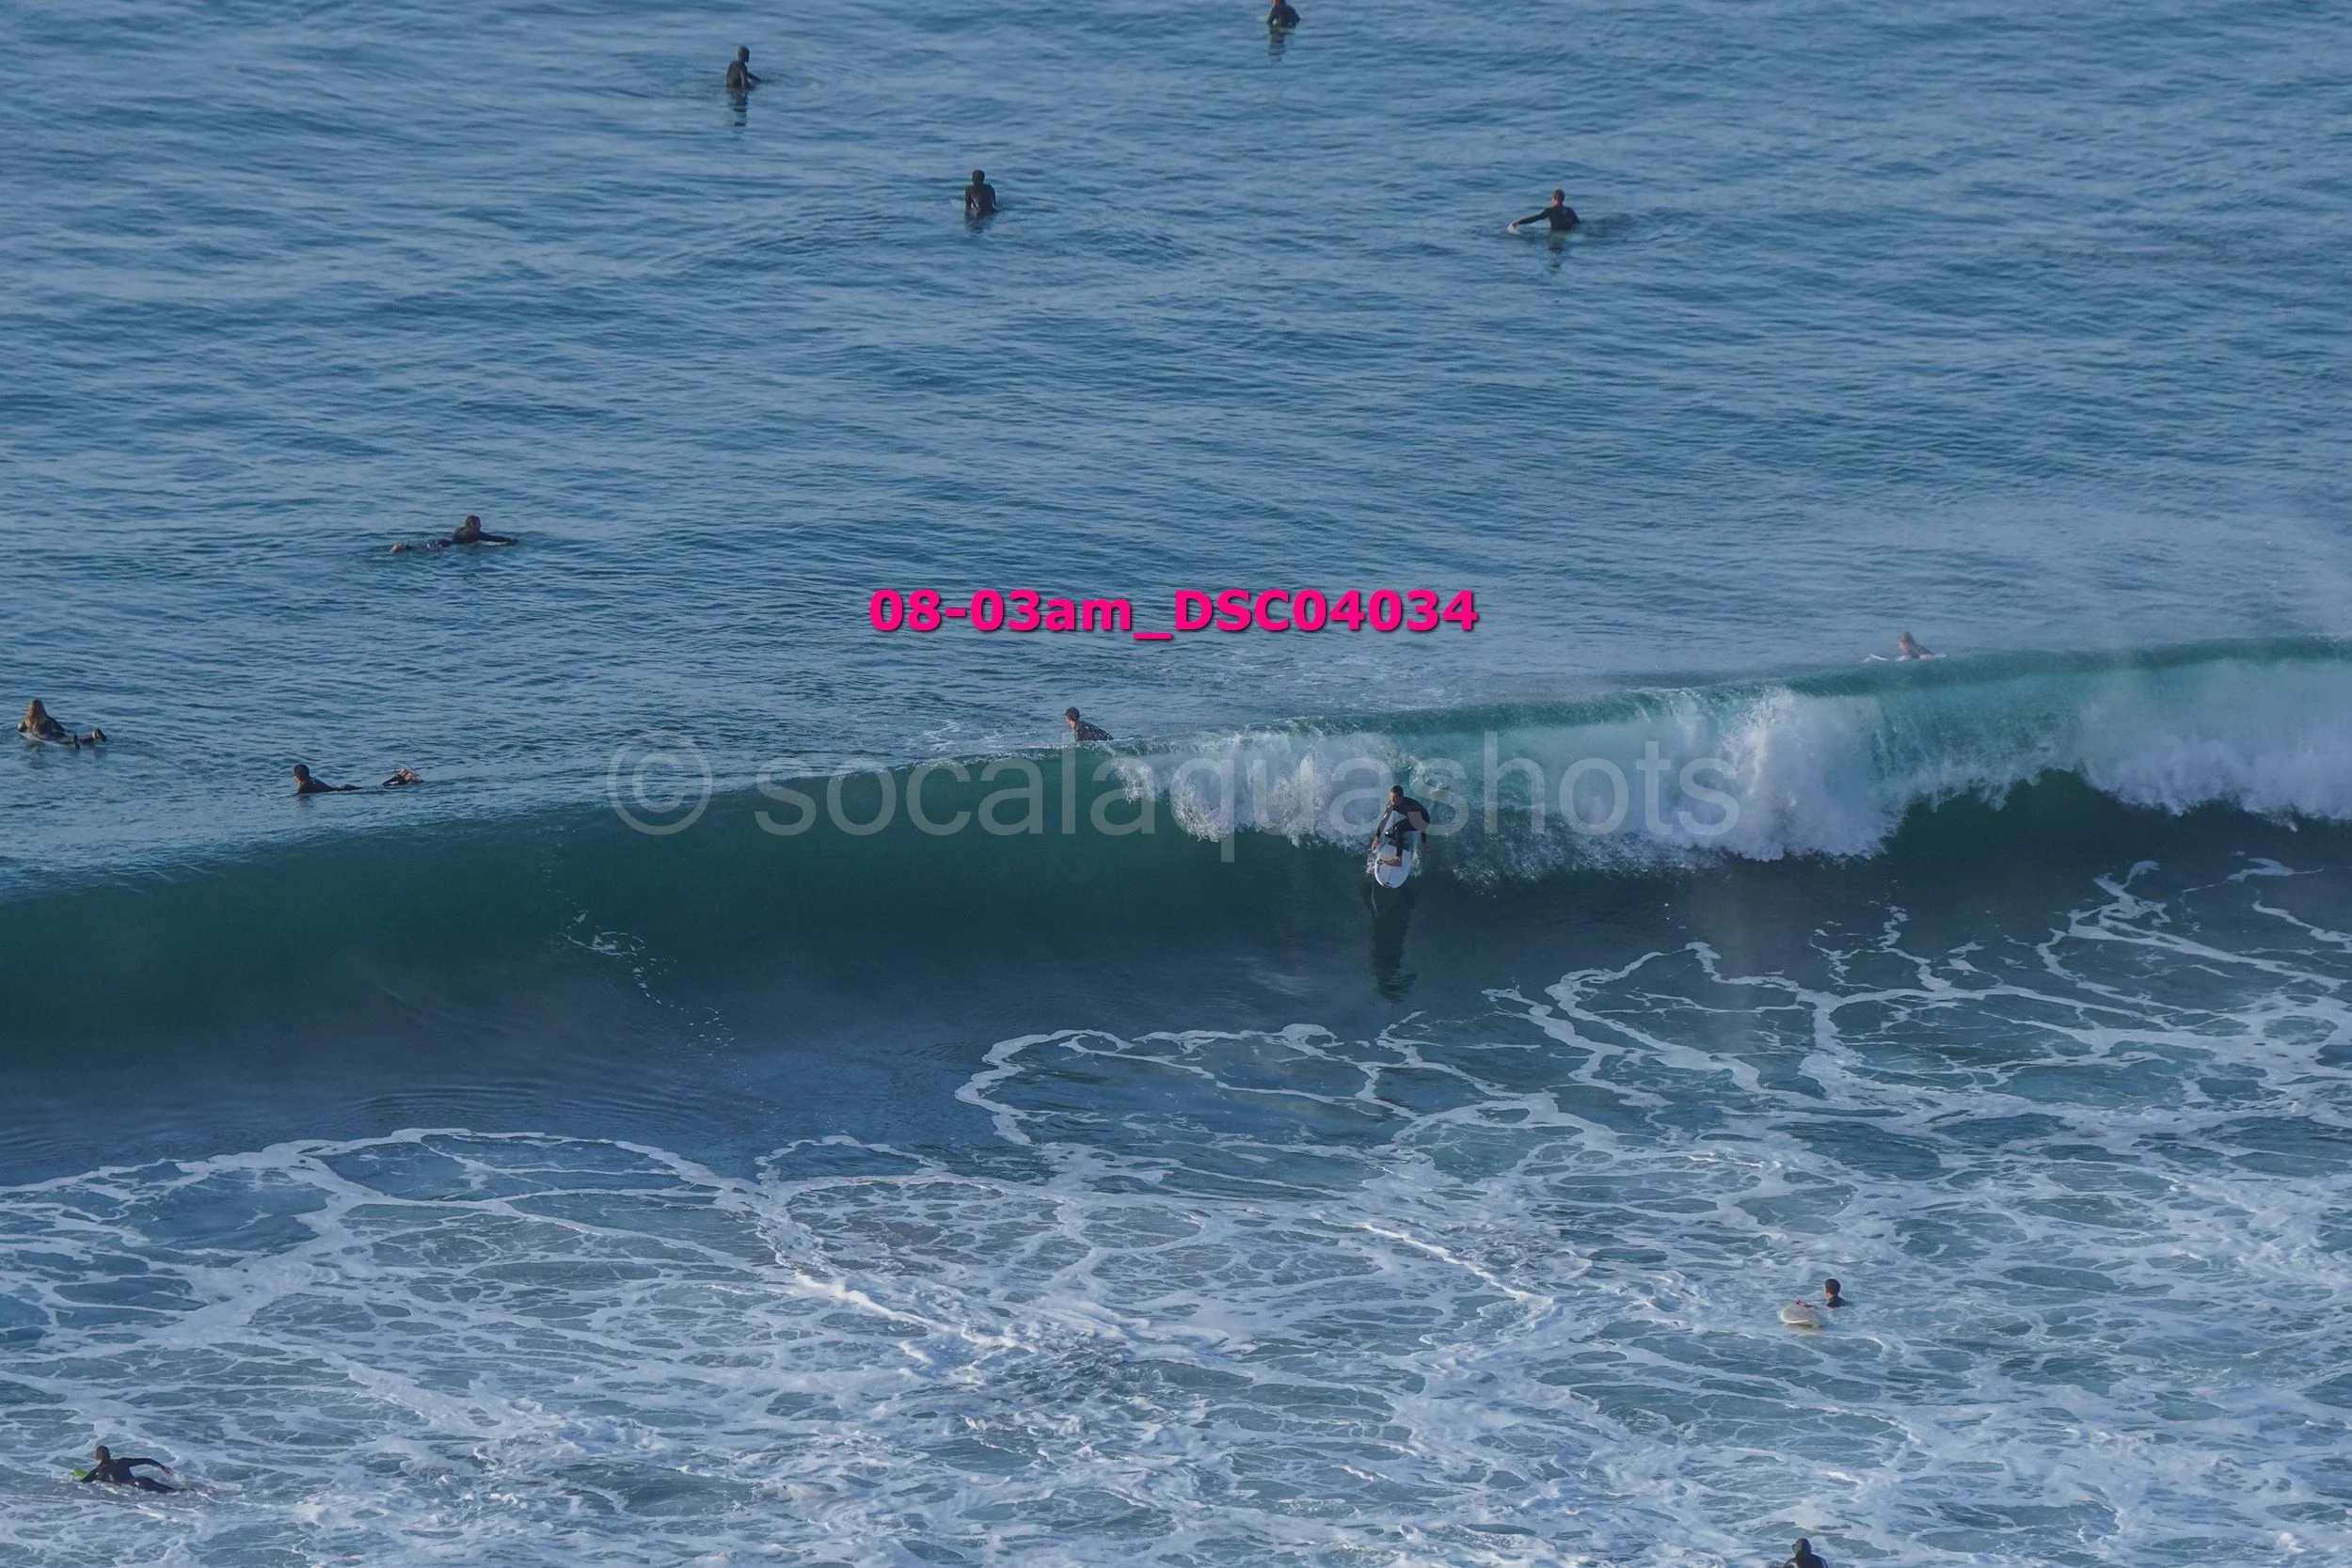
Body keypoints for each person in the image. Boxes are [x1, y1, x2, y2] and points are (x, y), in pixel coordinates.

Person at [391, 515, 516, 553]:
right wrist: (510, 540)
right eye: (479, 524)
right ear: (474, 525)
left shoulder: (459, 529)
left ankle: (404, 547)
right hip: (446, 546)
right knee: (423, 551)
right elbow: (494, 538)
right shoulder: (475, 533)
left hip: (442, 540)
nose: (481, 526)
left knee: (422, 548)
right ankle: (403, 548)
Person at [79, 1445, 175, 1493]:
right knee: (175, 1491)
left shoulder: (97, 1472)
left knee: (171, 1495)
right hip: (142, 1479)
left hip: (135, 1486)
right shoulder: (122, 1461)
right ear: (109, 1455)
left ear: (96, 1458)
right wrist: (162, 1467)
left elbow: (81, 1483)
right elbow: (145, 1460)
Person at [1370, 785, 1429, 863]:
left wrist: (1424, 842)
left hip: (1423, 820)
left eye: (1395, 797)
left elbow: (1422, 825)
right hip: (1410, 818)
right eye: (1391, 797)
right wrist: (1377, 837)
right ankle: (1402, 841)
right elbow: (1384, 820)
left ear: (1401, 798)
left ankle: (1398, 859)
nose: (1392, 800)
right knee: (1388, 833)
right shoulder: (1391, 804)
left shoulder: (1411, 806)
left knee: (1399, 829)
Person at [18, 699, 104, 748]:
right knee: (76, 739)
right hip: (56, 732)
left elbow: (20, 729)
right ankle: (93, 735)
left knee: (63, 741)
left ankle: (72, 739)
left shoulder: (28, 721)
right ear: (43, 708)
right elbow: (62, 730)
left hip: (47, 737)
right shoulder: (50, 719)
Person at [1509, 189, 1580, 233]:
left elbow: (1535, 218)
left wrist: (1518, 222)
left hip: (1555, 234)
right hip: (1568, 233)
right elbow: (1577, 223)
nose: (1551, 201)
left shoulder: (1550, 211)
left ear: (1555, 199)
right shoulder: (1569, 210)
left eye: (1552, 199)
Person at [293, 764, 362, 796]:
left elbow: (298, 796)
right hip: (345, 788)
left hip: (342, 790)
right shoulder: (312, 780)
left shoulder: (305, 784)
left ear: (297, 777)